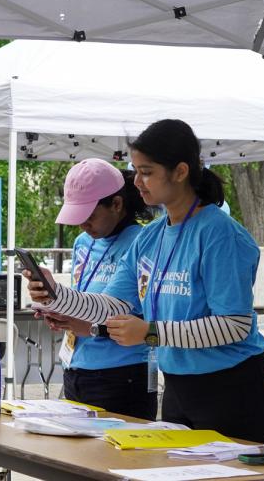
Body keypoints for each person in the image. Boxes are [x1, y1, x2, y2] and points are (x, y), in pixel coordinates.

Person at [28, 119, 264, 443]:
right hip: (176, 384)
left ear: (180, 172)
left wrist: (151, 332)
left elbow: (235, 324)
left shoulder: (219, 232)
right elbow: (112, 306)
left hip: (229, 387)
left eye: (146, 172)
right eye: (135, 170)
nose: (137, 182)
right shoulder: (151, 236)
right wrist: (55, 295)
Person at [35, 159, 157, 420]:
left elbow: (124, 313)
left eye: (89, 216)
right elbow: (84, 299)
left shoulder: (141, 243)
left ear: (116, 204)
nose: (83, 226)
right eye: (77, 218)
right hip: (75, 366)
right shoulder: (83, 243)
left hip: (122, 374)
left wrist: (85, 322)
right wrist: (55, 308)